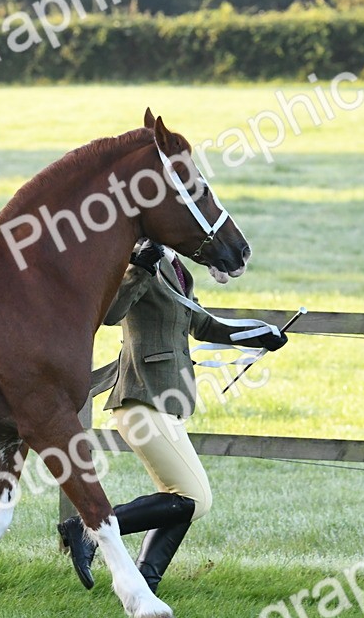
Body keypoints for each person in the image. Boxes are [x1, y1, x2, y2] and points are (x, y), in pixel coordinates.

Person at [58, 239, 288, 592]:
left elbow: (203, 325)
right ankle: (87, 529)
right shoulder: (133, 259)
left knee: (180, 500)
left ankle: (144, 584)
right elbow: (111, 313)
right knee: (194, 499)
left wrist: (259, 333)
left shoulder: (176, 267)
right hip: (142, 398)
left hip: (168, 402)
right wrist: (140, 267)